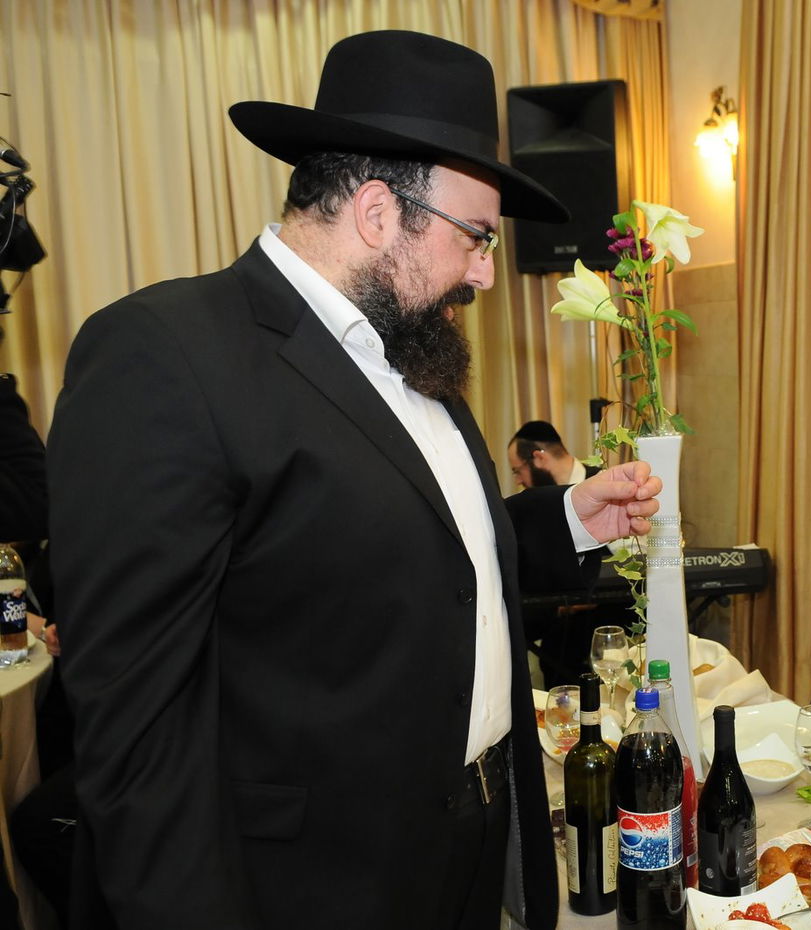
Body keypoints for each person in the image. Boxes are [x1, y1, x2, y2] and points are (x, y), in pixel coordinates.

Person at [46, 31, 660, 930]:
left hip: (468, 848)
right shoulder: (168, 355)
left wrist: (564, 516)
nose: (486, 272)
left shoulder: (412, 350)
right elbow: (136, 732)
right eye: (477, 237)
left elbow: (409, 553)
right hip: (312, 885)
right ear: (378, 213)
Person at [508, 419, 597, 488]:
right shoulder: (533, 502)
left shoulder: (600, 484)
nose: (518, 481)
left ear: (539, 458)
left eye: (517, 471)